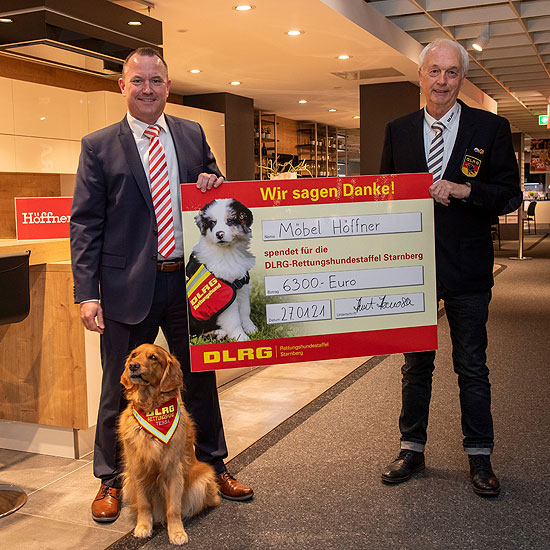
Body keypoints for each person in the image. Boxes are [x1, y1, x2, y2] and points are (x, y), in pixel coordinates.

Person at [70, 47, 253, 523]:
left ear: (168, 86)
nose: (147, 89)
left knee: (201, 376)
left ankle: (214, 464)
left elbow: (218, 192)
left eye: (156, 81)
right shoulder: (98, 145)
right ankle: (111, 481)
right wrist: (87, 293)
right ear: (123, 86)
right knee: (118, 385)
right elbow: (85, 224)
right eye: (138, 81)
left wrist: (216, 181)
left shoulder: (192, 135)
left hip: (189, 284)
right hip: (127, 286)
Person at [379, 38, 521, 496]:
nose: (442, 81)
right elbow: (383, 198)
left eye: (451, 73)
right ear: (420, 76)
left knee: (472, 365)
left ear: (462, 78)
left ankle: (480, 456)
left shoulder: (490, 129)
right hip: (413, 270)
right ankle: (411, 449)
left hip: (468, 270)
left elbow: (510, 195)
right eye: (433, 71)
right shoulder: (397, 130)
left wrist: (465, 192)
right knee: (415, 365)